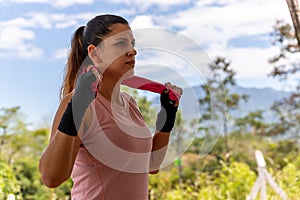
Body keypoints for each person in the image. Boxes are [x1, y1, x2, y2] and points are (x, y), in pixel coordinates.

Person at [39, 14, 183, 200]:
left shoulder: (129, 104)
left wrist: (167, 118)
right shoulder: (78, 103)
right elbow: (51, 177)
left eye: (132, 43)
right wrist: (79, 104)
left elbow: (151, 165)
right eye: (121, 43)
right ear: (95, 53)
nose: (132, 51)